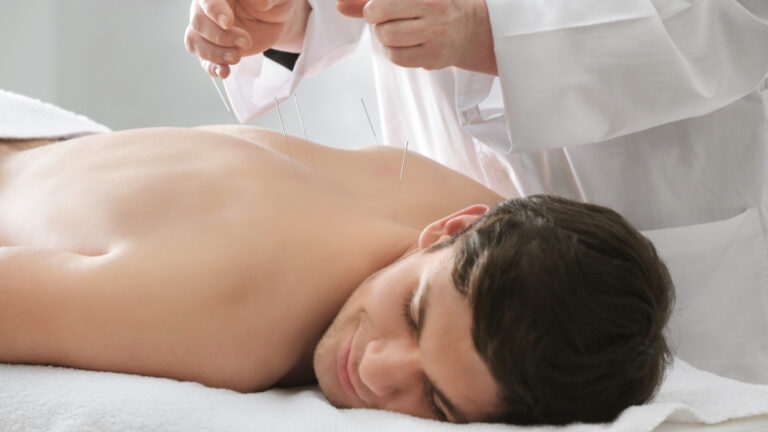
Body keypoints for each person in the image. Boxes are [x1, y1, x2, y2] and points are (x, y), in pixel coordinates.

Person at [184, 0, 768, 384]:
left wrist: (492, 32)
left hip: (660, 201)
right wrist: (297, 18)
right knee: (416, 370)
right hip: (440, 234)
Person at [0, 126, 673, 425]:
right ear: (449, 229)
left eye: (435, 402)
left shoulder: (485, 217)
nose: (377, 370)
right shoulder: (232, 324)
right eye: (412, 313)